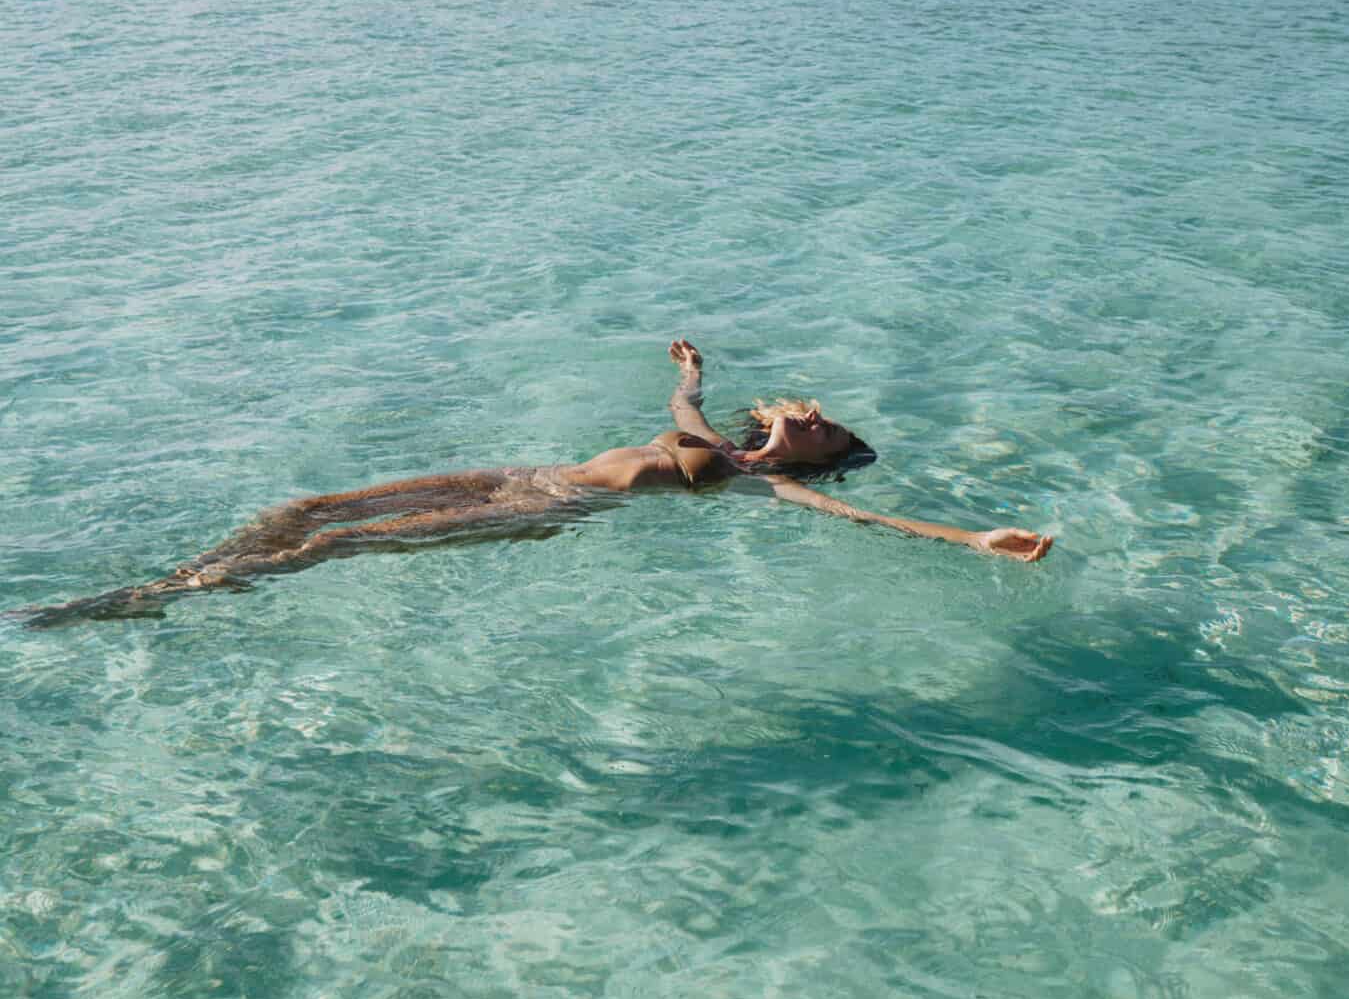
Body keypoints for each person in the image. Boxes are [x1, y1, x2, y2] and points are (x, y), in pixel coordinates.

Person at [13, 340, 1052, 626]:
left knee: (327, 547)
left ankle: (152, 598)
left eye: (826, 429)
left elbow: (857, 513)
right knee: (307, 508)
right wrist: (693, 366)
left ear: (818, 453)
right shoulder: (714, 440)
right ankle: (185, 574)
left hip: (555, 509)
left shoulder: (755, 486)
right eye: (814, 409)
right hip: (523, 471)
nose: (815, 416)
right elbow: (688, 398)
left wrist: (968, 540)